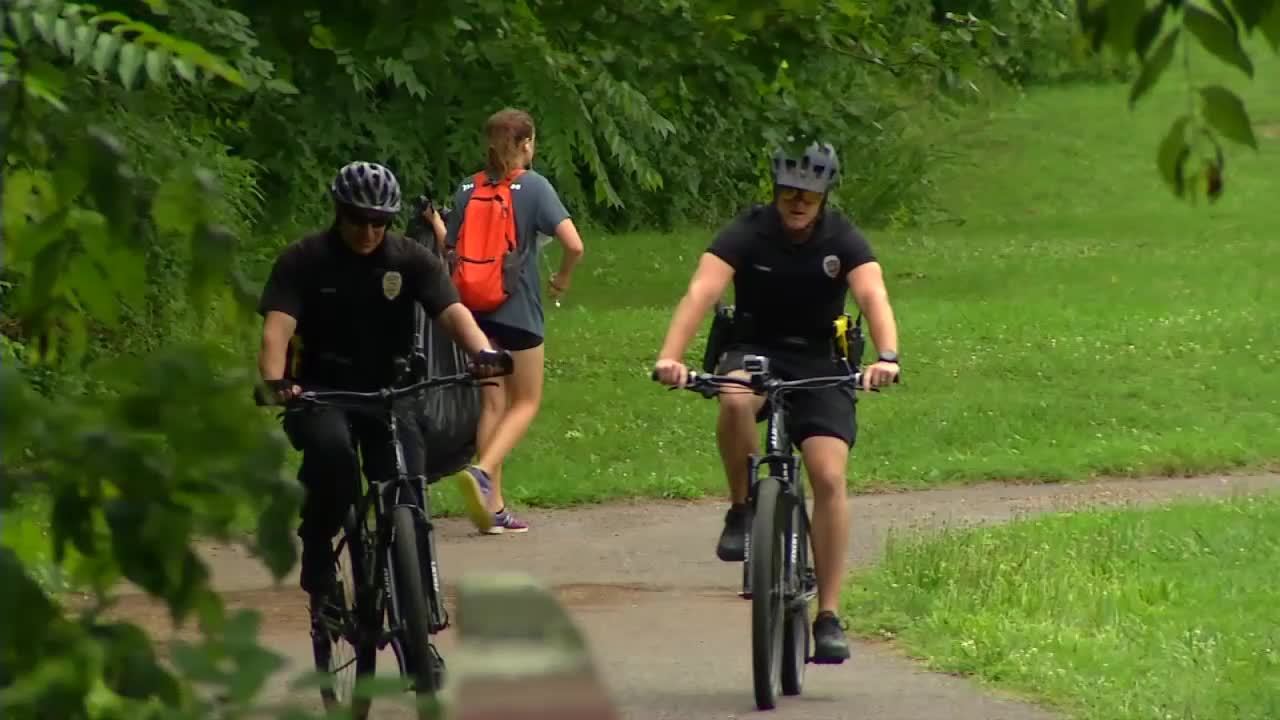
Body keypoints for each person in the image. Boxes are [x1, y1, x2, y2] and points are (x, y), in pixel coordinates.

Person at [650, 142, 902, 663]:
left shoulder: (842, 237)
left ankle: (828, 615)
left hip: (820, 361)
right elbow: (701, 291)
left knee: (829, 477)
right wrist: (670, 357)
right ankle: (743, 509)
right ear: (775, 192)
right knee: (735, 398)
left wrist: (888, 356)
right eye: (789, 192)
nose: (797, 202)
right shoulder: (749, 230)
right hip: (753, 351)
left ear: (824, 195)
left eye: (808, 195)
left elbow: (873, 295)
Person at [254, 160, 512, 606]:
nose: (369, 231)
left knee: (407, 485)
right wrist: (276, 381)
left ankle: (419, 616)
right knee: (332, 461)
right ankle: (318, 548)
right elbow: (276, 329)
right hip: (323, 391)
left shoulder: (409, 259)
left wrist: (482, 354)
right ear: (339, 212)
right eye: (359, 220)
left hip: (391, 391)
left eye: (380, 222)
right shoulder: (304, 260)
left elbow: (451, 312)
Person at [443, 108, 585, 535]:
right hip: (519, 313)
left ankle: (493, 509)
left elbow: (449, 245)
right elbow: (574, 245)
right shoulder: (535, 187)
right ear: (525, 145)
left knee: (492, 403)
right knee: (526, 402)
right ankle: (483, 472)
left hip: (474, 315)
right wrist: (561, 276)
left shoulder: (467, 188)